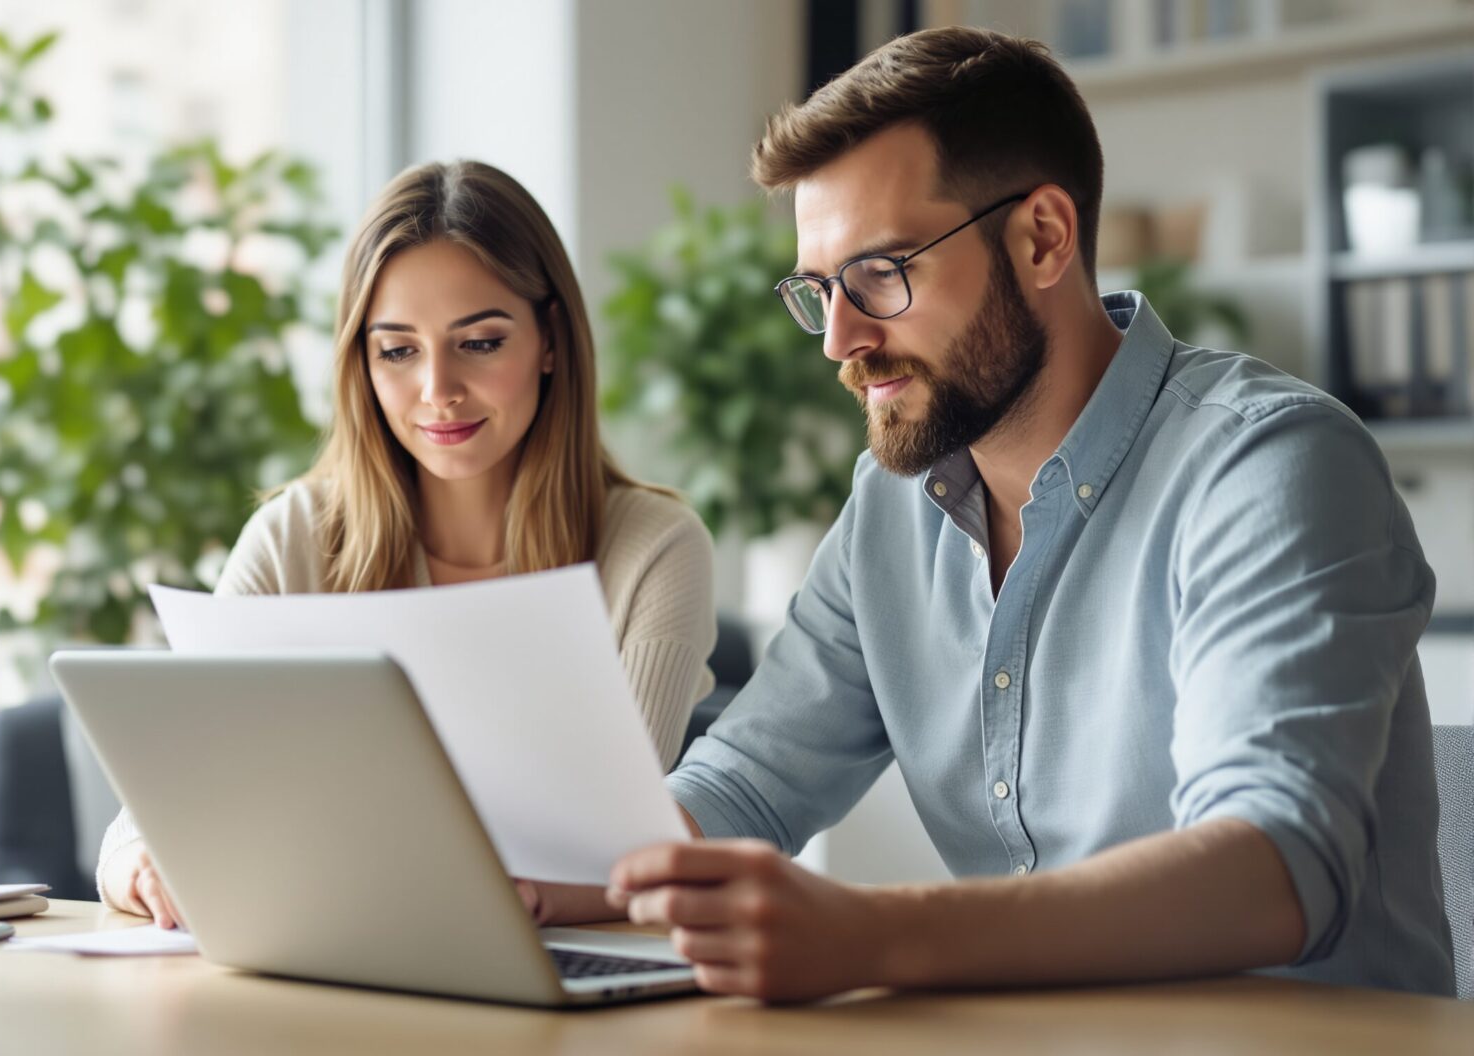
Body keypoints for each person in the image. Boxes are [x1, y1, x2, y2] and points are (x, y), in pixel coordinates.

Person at [603, 25, 1456, 1001]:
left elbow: (1272, 868)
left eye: (881, 274)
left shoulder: (1268, 466)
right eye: (821, 290)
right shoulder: (890, 508)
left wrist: (872, 934)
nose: (840, 339)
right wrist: (541, 879)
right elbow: (743, 784)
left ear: (1043, 237)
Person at [98, 160, 717, 929]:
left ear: (550, 340)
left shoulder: (652, 552)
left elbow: (620, 850)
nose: (437, 390)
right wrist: (141, 868)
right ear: (361, 361)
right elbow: (142, 820)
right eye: (397, 351)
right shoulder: (294, 537)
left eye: (481, 342)